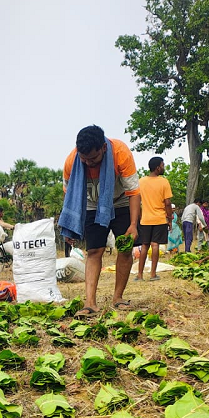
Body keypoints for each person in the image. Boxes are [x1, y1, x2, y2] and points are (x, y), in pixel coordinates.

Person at [59, 125, 140, 316]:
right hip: (92, 205)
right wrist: (70, 226)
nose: (88, 163)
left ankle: (118, 298)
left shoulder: (121, 153)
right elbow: (69, 195)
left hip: (120, 202)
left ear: (103, 148)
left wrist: (133, 224)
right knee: (94, 250)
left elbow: (134, 192)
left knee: (125, 247)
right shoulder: (72, 161)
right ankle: (90, 303)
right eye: (84, 159)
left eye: (93, 159)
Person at [136, 156, 173, 281]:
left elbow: (137, 202)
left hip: (145, 219)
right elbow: (167, 203)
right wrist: (169, 219)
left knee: (145, 245)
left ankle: (139, 275)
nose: (164, 167)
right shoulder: (164, 182)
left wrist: (140, 216)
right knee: (155, 244)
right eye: (163, 165)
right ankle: (152, 274)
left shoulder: (141, 181)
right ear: (158, 168)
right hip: (160, 219)